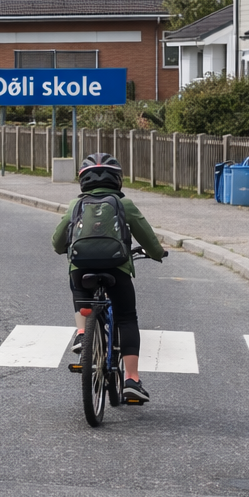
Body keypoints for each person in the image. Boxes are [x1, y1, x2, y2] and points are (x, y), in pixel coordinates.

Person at [52, 153, 166, 403]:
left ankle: (83, 332)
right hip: (117, 269)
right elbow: (148, 238)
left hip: (81, 269)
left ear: (83, 181)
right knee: (126, 317)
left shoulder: (75, 205)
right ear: (118, 180)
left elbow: (58, 242)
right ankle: (131, 380)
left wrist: (65, 249)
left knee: (79, 291)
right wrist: (157, 254)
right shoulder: (124, 205)